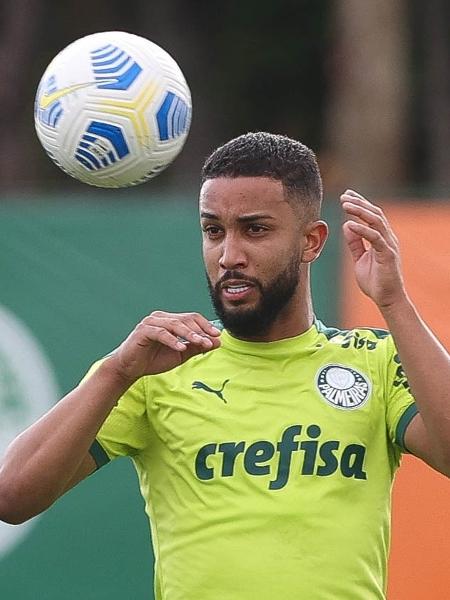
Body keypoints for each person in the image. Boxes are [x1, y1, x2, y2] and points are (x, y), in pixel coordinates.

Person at [0, 132, 449, 600]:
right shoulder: (154, 368)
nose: (228, 255)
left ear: (312, 242)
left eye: (255, 229)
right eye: (213, 230)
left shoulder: (373, 360)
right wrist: (115, 372)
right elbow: (11, 496)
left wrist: (394, 301)